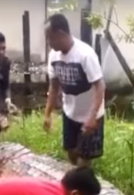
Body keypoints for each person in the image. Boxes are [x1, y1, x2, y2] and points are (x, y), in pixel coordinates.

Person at [44, 14, 105, 167]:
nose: (48, 42)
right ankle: (76, 179)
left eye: (50, 38)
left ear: (61, 34)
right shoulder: (53, 55)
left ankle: (81, 185)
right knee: (70, 151)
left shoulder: (85, 54)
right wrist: (47, 114)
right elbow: (54, 86)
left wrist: (92, 118)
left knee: (85, 158)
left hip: (90, 115)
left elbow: (100, 86)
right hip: (70, 113)